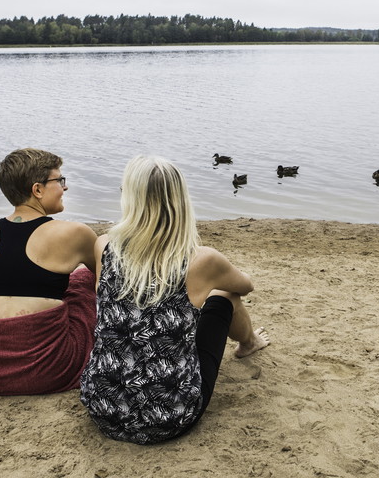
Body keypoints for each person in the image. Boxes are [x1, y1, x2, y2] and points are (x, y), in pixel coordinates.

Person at [80, 155, 270, 444]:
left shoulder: (104, 245)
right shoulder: (201, 259)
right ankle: (249, 343)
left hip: (102, 406)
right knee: (225, 294)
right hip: (168, 417)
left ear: (129, 197)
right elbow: (246, 286)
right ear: (180, 200)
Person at [0, 148, 98, 395]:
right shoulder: (74, 232)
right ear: (37, 189)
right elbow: (108, 277)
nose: (65, 187)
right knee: (85, 279)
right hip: (46, 371)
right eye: (59, 180)